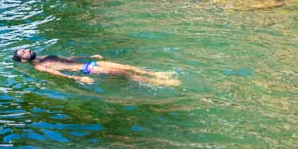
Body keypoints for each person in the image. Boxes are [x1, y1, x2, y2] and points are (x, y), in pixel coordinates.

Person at [12, 48, 179, 86]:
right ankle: (160, 83)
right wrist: (77, 78)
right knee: (124, 74)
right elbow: (56, 73)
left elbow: (68, 58)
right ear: (23, 61)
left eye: (26, 49)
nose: (27, 50)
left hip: (89, 63)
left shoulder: (46, 56)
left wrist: (90, 56)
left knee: (129, 67)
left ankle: (157, 75)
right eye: (24, 53)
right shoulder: (39, 67)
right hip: (86, 70)